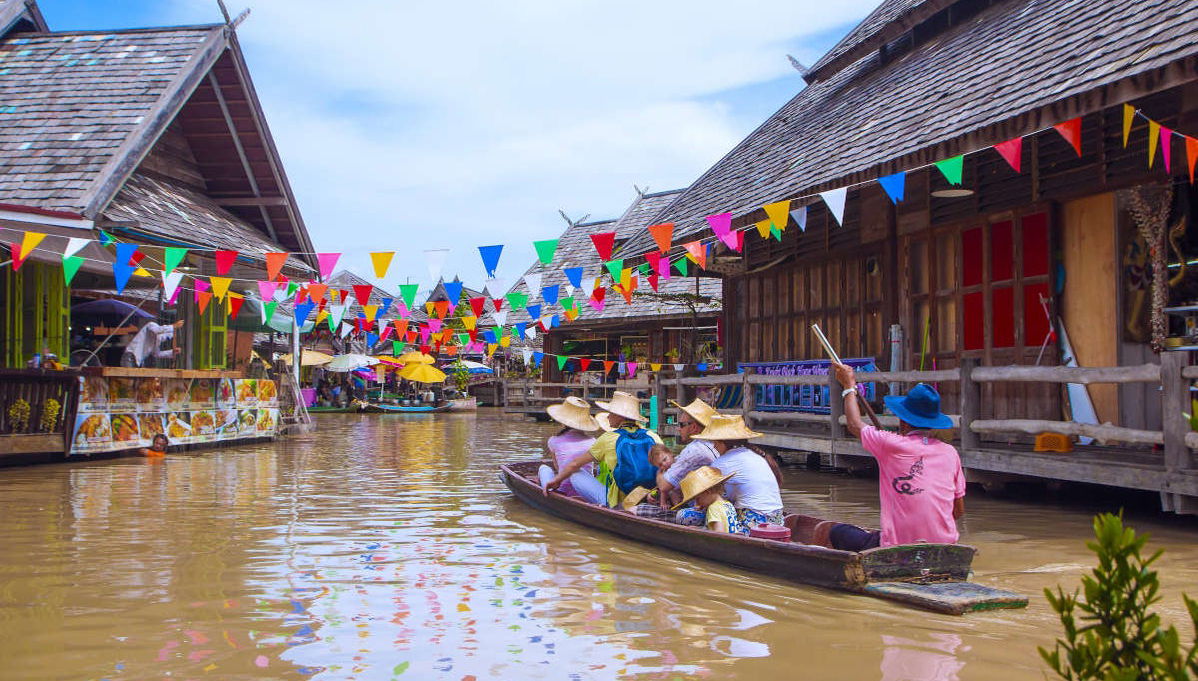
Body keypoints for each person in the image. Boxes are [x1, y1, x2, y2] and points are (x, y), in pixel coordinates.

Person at [816, 363, 966, 552]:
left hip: (896, 548)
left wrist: (848, 386)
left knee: (835, 531)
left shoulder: (892, 445)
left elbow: (854, 424)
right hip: (945, 547)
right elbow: (958, 511)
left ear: (903, 422)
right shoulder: (950, 453)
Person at [543, 391, 663, 508]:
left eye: (611, 413)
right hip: (649, 495)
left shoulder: (608, 438)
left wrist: (557, 480)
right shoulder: (652, 435)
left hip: (617, 502)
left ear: (620, 416)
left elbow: (574, 464)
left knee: (575, 472)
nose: (608, 416)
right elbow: (665, 467)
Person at [688, 414, 785, 527]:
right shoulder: (756, 456)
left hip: (754, 521)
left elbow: (717, 498)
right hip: (778, 519)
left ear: (721, 442)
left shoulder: (722, 463)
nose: (714, 447)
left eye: (715, 442)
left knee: (685, 515)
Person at [655, 398, 721, 508]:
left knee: (635, 509)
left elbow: (664, 485)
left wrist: (660, 471)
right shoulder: (712, 444)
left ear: (694, 427)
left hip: (698, 507)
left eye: (681, 425)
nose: (678, 429)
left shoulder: (694, 450)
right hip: (709, 501)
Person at [537, 397, 602, 502]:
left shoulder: (553, 440)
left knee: (544, 468)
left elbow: (558, 468)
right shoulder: (593, 441)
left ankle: (543, 489)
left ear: (563, 423)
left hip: (563, 489)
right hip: (584, 491)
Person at [671, 466, 746, 535]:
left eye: (698, 499)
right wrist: (699, 528)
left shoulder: (713, 508)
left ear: (707, 492)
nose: (697, 503)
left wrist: (698, 531)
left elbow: (719, 533)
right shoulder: (728, 504)